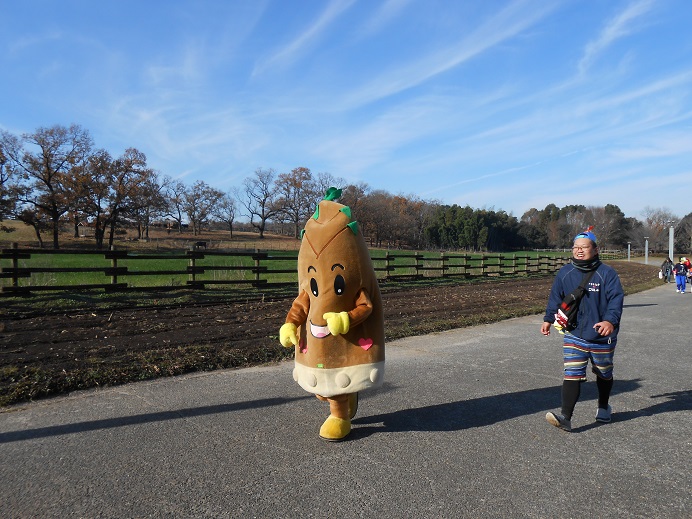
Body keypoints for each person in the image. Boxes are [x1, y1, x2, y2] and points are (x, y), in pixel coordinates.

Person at [541, 228, 624, 432]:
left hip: (601, 335)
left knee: (604, 373)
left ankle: (603, 406)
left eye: (584, 247)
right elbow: (556, 298)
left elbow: (616, 299)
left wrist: (610, 322)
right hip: (574, 332)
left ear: (595, 250)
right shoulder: (565, 272)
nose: (579, 251)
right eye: (576, 247)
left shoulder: (607, 273)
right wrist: (548, 319)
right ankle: (566, 417)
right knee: (572, 372)